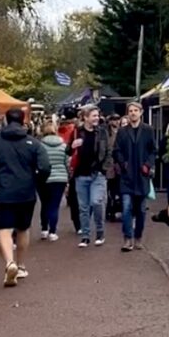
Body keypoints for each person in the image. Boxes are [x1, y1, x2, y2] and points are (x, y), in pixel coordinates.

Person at [0, 108, 50, 286]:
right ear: (23, 120)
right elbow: (45, 167)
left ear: (5, 121)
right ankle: (21, 264)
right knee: (23, 229)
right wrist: (35, 181)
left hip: (4, 192)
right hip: (26, 192)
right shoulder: (33, 143)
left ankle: (9, 262)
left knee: (4, 229)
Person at [113, 101, 156, 252]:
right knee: (126, 208)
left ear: (141, 112)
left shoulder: (148, 130)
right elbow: (116, 150)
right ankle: (127, 238)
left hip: (142, 176)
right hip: (127, 176)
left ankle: (138, 237)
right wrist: (122, 162)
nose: (133, 113)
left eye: (135, 110)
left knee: (141, 210)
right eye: (130, 111)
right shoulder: (122, 131)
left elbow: (153, 150)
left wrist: (148, 165)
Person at [68, 105, 111, 247]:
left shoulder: (102, 132)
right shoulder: (77, 132)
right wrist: (73, 146)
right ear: (85, 117)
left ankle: (100, 232)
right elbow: (68, 151)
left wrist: (103, 169)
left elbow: (108, 151)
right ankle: (85, 236)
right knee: (83, 207)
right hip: (81, 174)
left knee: (96, 202)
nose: (96, 118)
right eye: (93, 116)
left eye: (97, 115)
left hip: (97, 174)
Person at [39, 122, 69, 241]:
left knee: (44, 204)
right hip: (60, 178)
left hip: (43, 179)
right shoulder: (63, 146)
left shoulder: (40, 146)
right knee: (54, 205)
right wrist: (68, 178)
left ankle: (44, 229)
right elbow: (66, 163)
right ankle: (52, 232)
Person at [105, 114, 122, 221]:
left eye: (117, 119)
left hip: (119, 166)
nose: (115, 122)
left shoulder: (122, 132)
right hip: (109, 166)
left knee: (118, 190)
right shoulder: (107, 133)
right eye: (113, 120)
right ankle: (110, 211)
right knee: (110, 190)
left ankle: (117, 209)